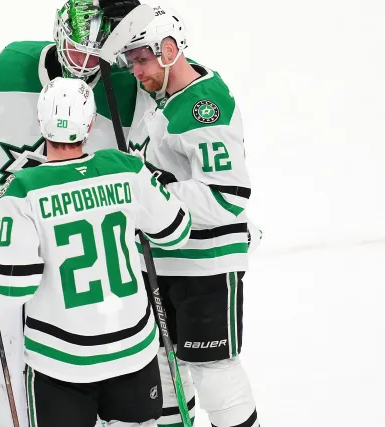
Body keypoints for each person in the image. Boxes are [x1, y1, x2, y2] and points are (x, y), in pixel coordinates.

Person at [0, 1, 154, 425]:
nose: (85, 63)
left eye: (97, 53)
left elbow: (179, 85)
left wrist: (145, 20)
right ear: (59, 31)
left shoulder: (126, 89)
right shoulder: (7, 71)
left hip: (84, 291)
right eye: (77, 48)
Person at [0, 77, 191, 427]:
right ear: (90, 124)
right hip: (133, 347)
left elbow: (13, 286)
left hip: (61, 359)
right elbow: (176, 232)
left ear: (42, 123)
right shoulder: (127, 169)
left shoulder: (22, 190)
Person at [119, 4, 261, 427]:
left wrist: (151, 194)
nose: (135, 71)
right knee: (163, 371)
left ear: (168, 50)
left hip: (206, 264)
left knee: (215, 372)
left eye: (141, 60)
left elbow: (228, 195)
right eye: (131, 61)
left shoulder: (204, 106)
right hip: (161, 262)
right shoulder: (161, 93)